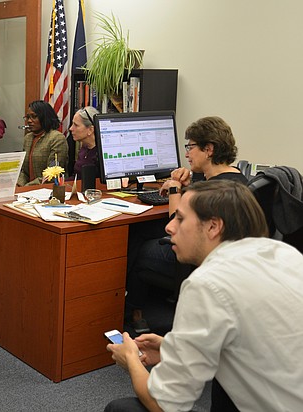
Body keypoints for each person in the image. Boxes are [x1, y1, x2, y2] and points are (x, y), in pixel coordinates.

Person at [105, 180, 303, 412]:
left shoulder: (208, 284)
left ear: (213, 227)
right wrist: (173, 348)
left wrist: (130, 359)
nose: (169, 228)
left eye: (180, 218)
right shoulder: (285, 254)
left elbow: (163, 404)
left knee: (122, 409)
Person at [126, 116, 248, 333]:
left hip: (194, 258)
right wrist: (191, 182)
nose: (186, 153)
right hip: (223, 261)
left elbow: (177, 227)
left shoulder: (210, 192)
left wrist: (174, 188)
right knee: (143, 231)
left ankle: (132, 309)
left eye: (191, 147)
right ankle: (136, 307)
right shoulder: (236, 179)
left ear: (208, 149)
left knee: (134, 240)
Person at [17, 101, 68, 186]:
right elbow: (24, 171)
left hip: (49, 189)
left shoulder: (57, 138)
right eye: (28, 117)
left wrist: (27, 187)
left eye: (34, 117)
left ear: (44, 117)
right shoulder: (28, 138)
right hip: (27, 192)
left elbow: (52, 174)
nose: (29, 121)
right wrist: (19, 185)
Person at [68, 106, 100, 179]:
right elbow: (77, 177)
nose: (71, 128)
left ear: (90, 130)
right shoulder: (84, 147)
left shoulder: (99, 155)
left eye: (76, 125)